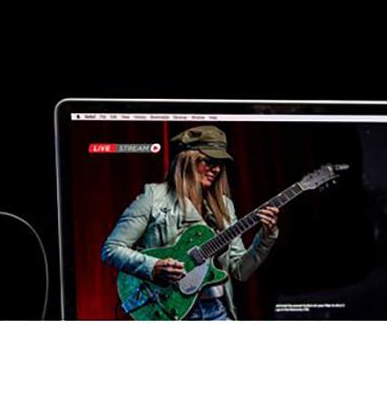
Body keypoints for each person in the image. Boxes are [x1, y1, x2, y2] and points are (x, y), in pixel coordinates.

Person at [100, 126, 279, 320]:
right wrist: (153, 266)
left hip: (215, 310)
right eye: (210, 161)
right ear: (187, 159)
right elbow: (111, 249)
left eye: (220, 164)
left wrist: (266, 236)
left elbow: (240, 271)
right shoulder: (153, 197)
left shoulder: (225, 206)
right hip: (165, 307)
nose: (217, 169)